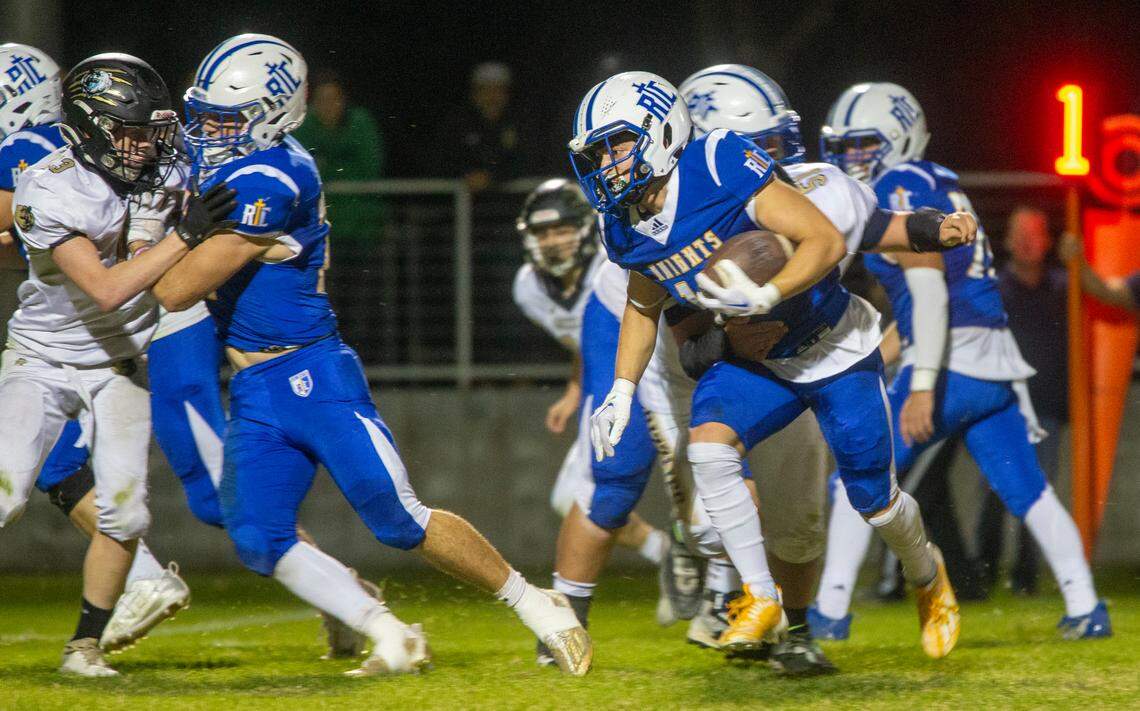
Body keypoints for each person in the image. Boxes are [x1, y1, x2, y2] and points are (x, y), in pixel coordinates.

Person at [154, 33, 590, 677]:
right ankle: (386, 631)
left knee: (397, 517)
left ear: (272, 114)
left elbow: (175, 287)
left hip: (310, 372)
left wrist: (167, 229)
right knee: (256, 534)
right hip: (252, 386)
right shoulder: (231, 163)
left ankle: (536, 602)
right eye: (206, 115)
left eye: (225, 119)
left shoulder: (274, 176)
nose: (208, 131)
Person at [572, 71, 974, 659]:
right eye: (598, 152)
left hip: (833, 345)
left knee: (876, 502)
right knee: (707, 449)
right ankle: (759, 596)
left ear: (666, 132)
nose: (607, 164)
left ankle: (926, 574)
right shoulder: (626, 221)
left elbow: (848, 237)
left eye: (619, 144)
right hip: (760, 363)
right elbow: (646, 303)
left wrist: (932, 228)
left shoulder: (724, 162)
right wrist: (621, 390)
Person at [810, 82, 1110, 641]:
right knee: (1028, 490)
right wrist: (878, 359)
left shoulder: (900, 185)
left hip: (953, 363)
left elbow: (928, 295)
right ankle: (1086, 606)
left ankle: (828, 613)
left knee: (857, 474)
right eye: (844, 147)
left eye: (862, 145)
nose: (851, 160)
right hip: (994, 362)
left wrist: (922, 384)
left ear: (899, 138)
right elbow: (924, 303)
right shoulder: (939, 181)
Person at [0, 52, 234, 676]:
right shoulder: (46, 184)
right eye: (127, 131)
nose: (142, 145)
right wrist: (185, 238)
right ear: (87, 127)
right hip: (43, 359)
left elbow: (159, 232)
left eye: (147, 131)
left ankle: (84, 646)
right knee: (6, 493)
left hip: (122, 361)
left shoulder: (163, 167)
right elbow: (107, 289)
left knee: (127, 510)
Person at [512, 178, 702, 657]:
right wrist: (579, 388)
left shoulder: (611, 253)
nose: (552, 241)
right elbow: (583, 343)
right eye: (543, 232)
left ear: (583, 227)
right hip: (609, 367)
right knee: (590, 488)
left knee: (694, 468)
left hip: (655, 355)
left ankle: (706, 575)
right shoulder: (528, 288)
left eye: (560, 229)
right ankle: (666, 555)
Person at [980, 206, 1070, 594]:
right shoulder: (995, 290)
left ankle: (1026, 575)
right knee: (995, 491)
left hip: (1048, 406)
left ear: (1047, 241)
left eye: (1035, 234)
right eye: (1020, 234)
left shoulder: (1066, 287)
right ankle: (983, 571)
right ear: (1007, 241)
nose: (1027, 242)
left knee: (1039, 492)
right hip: (1004, 408)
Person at [291, 70, 385, 359]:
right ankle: (327, 359)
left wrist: (328, 163)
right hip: (319, 238)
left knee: (365, 307)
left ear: (344, 101)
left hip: (362, 234)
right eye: (322, 99)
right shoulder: (303, 127)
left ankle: (367, 363)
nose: (328, 105)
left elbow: (370, 167)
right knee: (325, 303)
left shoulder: (361, 123)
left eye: (334, 99)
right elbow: (302, 173)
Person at [443, 62, 525, 192]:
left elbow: (527, 162)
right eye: (485, 90)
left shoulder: (520, 124)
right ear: (474, 93)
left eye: (498, 90)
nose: (492, 97)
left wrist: (492, 177)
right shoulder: (459, 125)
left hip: (510, 204)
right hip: (465, 205)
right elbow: (445, 160)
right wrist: (466, 174)